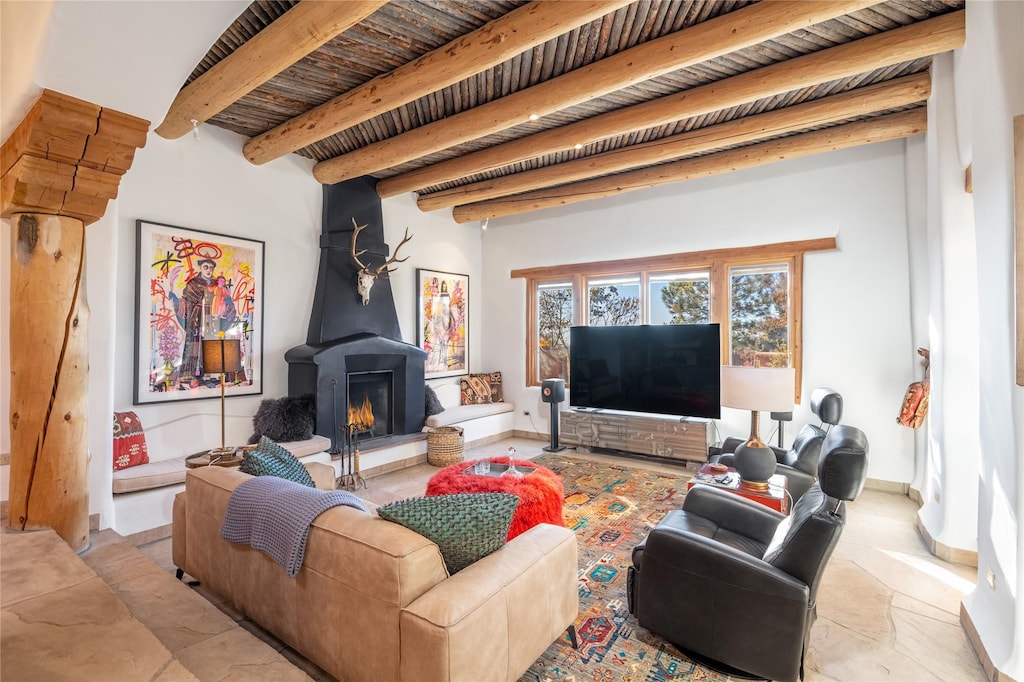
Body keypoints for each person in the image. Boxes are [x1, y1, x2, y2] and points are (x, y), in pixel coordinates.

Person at [177, 259, 216, 385]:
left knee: (212, 344)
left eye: (211, 268)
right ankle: (190, 373)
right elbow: (187, 297)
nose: (209, 270)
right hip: (197, 318)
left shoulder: (218, 284)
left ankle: (211, 374)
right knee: (194, 345)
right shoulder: (193, 283)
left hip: (212, 319)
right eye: (206, 267)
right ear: (200, 268)